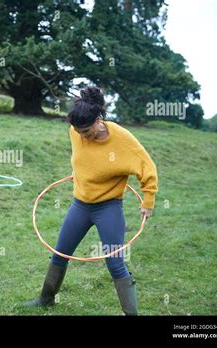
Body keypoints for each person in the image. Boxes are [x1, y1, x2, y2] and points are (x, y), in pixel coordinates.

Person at [24, 87, 158, 315]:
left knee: (115, 262)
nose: (82, 136)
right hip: (80, 205)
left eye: (86, 131)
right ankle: (46, 299)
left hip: (108, 207)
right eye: (78, 132)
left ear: (98, 120)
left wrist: (148, 200)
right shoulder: (75, 131)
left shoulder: (123, 140)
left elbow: (147, 168)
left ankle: (131, 313)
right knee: (60, 253)